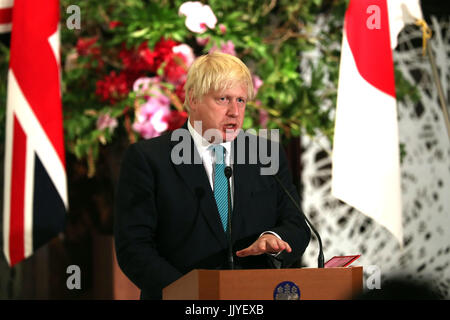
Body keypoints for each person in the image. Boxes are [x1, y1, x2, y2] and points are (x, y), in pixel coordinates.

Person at [114, 52, 311, 300]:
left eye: (241, 100)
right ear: (194, 99)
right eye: (223, 99)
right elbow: (133, 248)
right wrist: (189, 292)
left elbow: (297, 226)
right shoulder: (149, 159)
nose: (234, 111)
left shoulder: (265, 154)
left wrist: (274, 238)